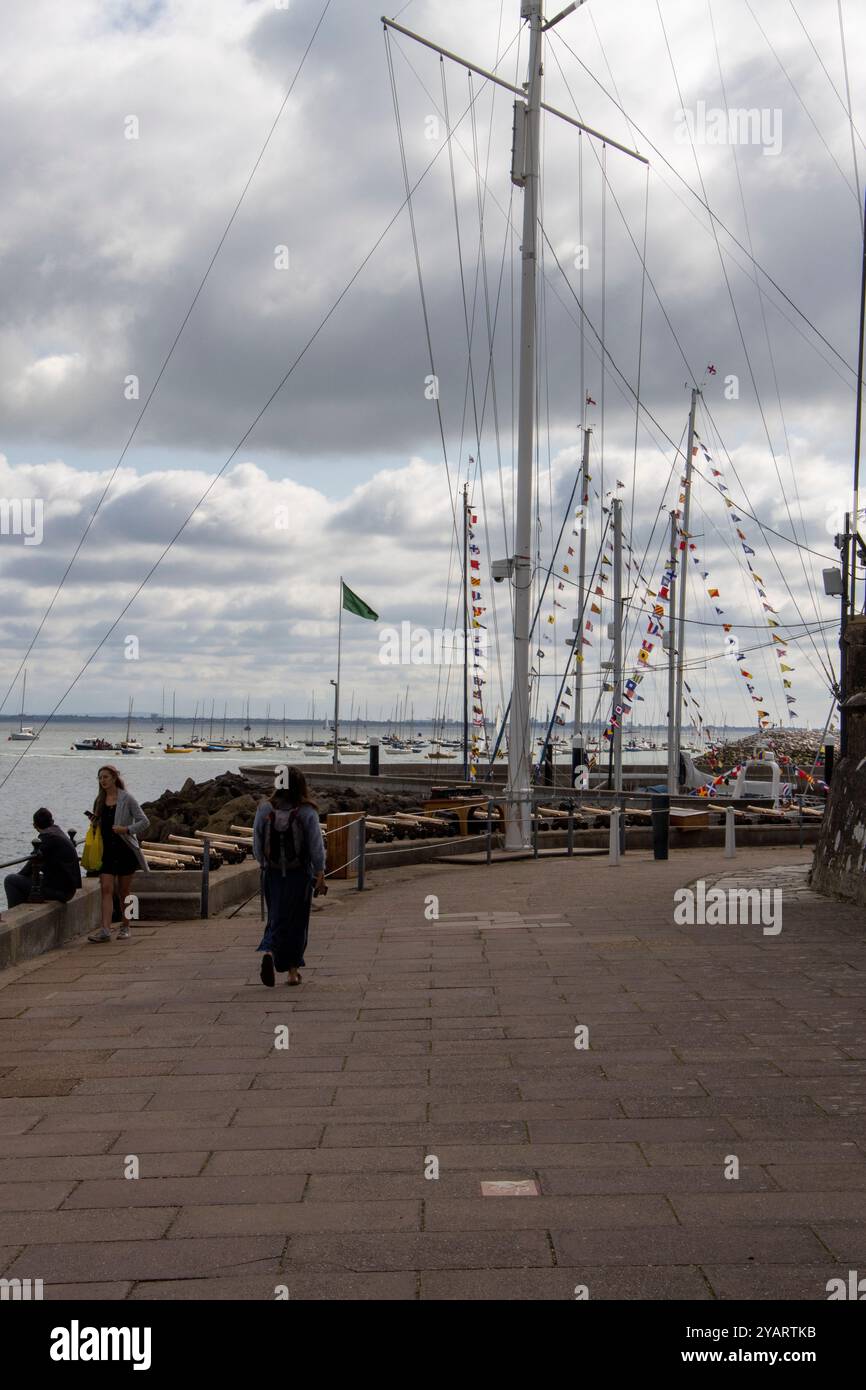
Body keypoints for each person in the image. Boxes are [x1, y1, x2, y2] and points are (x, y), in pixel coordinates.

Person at [253, 769, 325, 986]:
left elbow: (256, 841)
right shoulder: (306, 811)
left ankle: (269, 951)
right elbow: (316, 846)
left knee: (276, 916)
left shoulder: (265, 808)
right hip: (299, 874)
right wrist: (320, 873)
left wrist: (264, 864)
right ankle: (293, 972)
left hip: (272, 873)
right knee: (297, 922)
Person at [85, 765, 149, 943]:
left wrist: (126, 829)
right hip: (107, 851)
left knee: (125, 891)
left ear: (114, 778)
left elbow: (144, 821)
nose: (102, 781)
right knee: (105, 889)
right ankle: (105, 930)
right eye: (100, 778)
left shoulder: (127, 798)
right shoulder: (99, 800)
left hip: (124, 850)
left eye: (105, 777)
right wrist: (95, 822)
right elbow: (100, 823)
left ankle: (127, 926)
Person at [4, 809, 82, 909]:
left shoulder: (47, 837)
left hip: (60, 891)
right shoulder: (57, 832)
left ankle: (14, 913)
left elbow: (28, 869)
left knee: (11, 880)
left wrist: (19, 878)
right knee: (26, 880)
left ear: (34, 825)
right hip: (68, 889)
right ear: (52, 821)